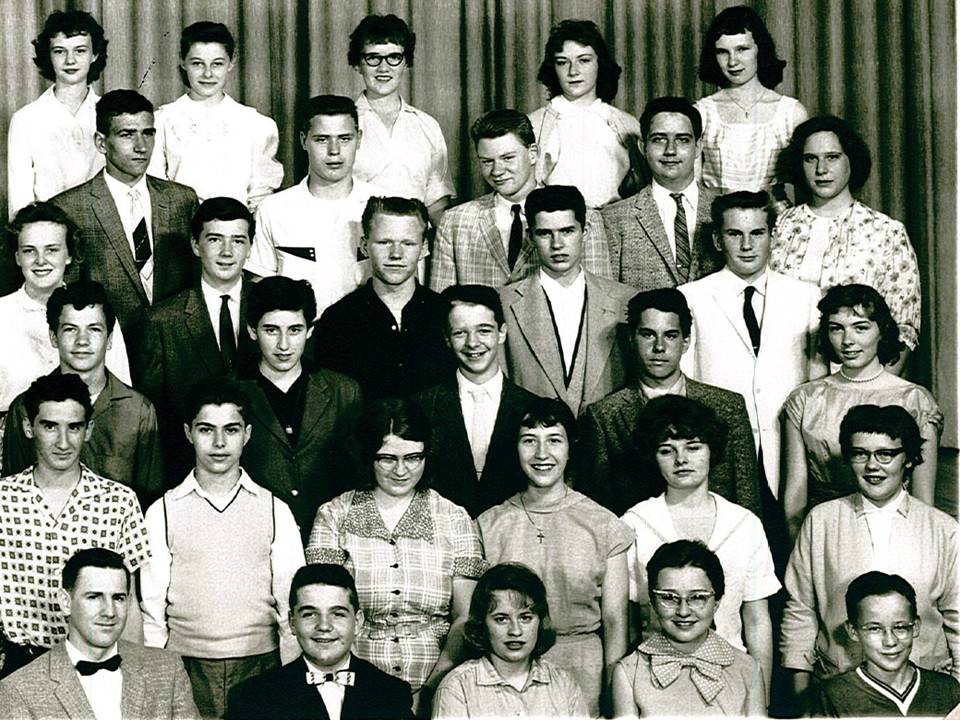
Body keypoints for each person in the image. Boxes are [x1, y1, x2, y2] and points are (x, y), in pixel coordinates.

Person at [305, 398, 485, 711]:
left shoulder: (454, 518)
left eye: (413, 458)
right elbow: (325, 613)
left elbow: (465, 618)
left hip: (438, 684)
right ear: (367, 456)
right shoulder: (334, 515)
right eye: (387, 458)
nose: (401, 470)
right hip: (354, 686)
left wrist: (431, 689)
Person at [140, 379, 305, 719]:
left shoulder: (274, 510)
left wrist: (290, 675)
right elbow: (152, 610)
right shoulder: (163, 511)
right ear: (188, 433)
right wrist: (157, 674)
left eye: (231, 430)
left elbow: (291, 604)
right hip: (186, 666)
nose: (219, 443)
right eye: (206, 430)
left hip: (260, 664)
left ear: (247, 434)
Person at [679, 190, 824, 560]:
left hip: (789, 458)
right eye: (735, 234)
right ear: (717, 240)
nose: (746, 245)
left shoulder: (806, 297)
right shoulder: (691, 298)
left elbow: (817, 387)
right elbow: (685, 387)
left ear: (772, 236)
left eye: (757, 233)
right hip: (723, 456)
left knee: (791, 556)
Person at [781, 405, 959, 703]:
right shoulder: (821, 520)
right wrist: (802, 696)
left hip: (924, 690)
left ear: (909, 458)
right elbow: (800, 611)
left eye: (885, 454)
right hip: (839, 688)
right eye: (860, 454)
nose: (872, 466)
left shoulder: (943, 529)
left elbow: (958, 618)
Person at [477, 397, 632, 716]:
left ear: (571, 448)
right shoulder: (488, 525)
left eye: (554, 440)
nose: (542, 454)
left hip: (584, 670)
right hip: (506, 672)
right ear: (515, 448)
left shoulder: (604, 524)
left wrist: (613, 692)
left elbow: (616, 621)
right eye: (529, 441)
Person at [620, 395, 779, 697]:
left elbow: (757, 620)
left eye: (693, 447)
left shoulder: (744, 523)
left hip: (732, 675)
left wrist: (762, 697)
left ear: (711, 450)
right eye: (667, 450)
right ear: (652, 457)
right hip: (655, 678)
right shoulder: (635, 523)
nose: (681, 459)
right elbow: (625, 621)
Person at [0, 373, 150, 678]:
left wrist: (133, 677)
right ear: (29, 427)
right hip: (21, 665)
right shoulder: (3, 499)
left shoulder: (119, 501)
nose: (63, 442)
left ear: (88, 429)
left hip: (98, 662)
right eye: (50, 426)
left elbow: (130, 602)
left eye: (74, 427)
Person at [579, 288, 761, 519]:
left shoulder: (727, 407)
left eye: (671, 335)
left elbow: (748, 500)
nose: (659, 347)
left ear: (686, 342)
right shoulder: (605, 416)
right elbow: (599, 509)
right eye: (648, 335)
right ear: (631, 339)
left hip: (717, 536)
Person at [781, 285, 941, 540]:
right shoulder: (804, 399)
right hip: (824, 531)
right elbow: (794, 500)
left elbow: (923, 502)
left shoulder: (915, 400)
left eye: (861, 328)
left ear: (882, 331)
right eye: (836, 328)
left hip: (893, 532)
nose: (847, 341)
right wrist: (800, 552)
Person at [772, 115, 922, 374]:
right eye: (810, 159)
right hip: (782, 372)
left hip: (856, 379)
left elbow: (904, 328)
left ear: (851, 161)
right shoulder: (779, 227)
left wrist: (871, 390)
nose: (821, 169)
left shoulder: (886, 231)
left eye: (832, 157)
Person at [50, 89, 199, 341]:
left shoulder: (182, 200)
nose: (141, 147)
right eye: (127, 134)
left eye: (148, 133)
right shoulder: (69, 208)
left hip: (177, 346)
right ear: (101, 143)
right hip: (109, 348)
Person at [3, 282, 164, 509]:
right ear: (53, 337)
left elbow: (149, 502)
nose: (82, 341)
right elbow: (12, 495)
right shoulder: (24, 407)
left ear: (109, 339)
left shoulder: (139, 411)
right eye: (70, 329)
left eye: (94, 329)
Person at [135, 197, 259, 484]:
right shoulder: (161, 321)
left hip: (264, 470)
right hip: (189, 472)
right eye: (215, 239)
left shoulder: (271, 307)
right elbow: (155, 415)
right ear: (195, 244)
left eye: (238, 241)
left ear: (250, 247)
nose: (227, 252)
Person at [0, 548, 199, 719]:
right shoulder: (19, 689)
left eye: (118, 598)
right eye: (94, 597)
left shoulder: (167, 669)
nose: (109, 612)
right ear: (66, 602)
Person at [429, 109, 612, 292]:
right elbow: (441, 302)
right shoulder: (454, 222)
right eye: (487, 161)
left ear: (533, 153)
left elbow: (602, 297)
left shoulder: (586, 218)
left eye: (508, 158)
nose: (497, 171)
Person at [239, 276, 363, 536]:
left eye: (294, 330)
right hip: (256, 534)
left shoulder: (344, 391)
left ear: (309, 330)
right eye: (271, 330)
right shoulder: (231, 392)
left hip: (330, 534)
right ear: (252, 330)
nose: (283, 345)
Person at [501, 185, 635, 418]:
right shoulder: (504, 302)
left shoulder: (626, 300)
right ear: (530, 236)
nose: (557, 244)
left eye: (567, 231)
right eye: (545, 233)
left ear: (585, 231)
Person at [247, 95, 383, 314]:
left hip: (367, 331)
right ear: (304, 141)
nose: (334, 150)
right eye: (321, 139)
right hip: (298, 333)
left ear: (359, 139)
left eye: (344, 139)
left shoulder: (383, 207)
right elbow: (261, 290)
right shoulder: (273, 210)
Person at [414, 284, 539, 518]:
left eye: (484, 330)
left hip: (514, 529)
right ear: (447, 339)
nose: (473, 343)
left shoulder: (532, 408)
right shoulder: (420, 406)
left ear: (502, 332)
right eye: (460, 333)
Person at [230, 563, 415, 720]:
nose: (324, 626)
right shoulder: (255, 696)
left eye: (338, 614)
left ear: (357, 622)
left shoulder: (391, 693)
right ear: (292, 622)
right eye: (309, 614)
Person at [0, 202, 130, 421]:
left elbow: (122, 398)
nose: (41, 261)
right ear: (17, 257)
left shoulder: (97, 313)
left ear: (69, 255)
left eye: (52, 250)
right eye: (29, 251)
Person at [313, 196, 454, 400]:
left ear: (424, 248)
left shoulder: (445, 314)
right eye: (384, 242)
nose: (396, 254)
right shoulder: (339, 319)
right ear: (364, 246)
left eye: (408, 243)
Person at [612, 540, 766, 716]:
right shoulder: (629, 673)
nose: (683, 611)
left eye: (698, 597)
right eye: (669, 597)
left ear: (716, 602)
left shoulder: (748, 671)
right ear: (653, 602)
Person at [148, 22, 284, 211]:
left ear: (231, 62)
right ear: (183, 62)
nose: (208, 74)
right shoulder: (162, 120)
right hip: (180, 225)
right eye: (197, 63)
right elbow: (156, 186)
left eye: (217, 64)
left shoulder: (255, 124)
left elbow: (261, 192)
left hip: (237, 224)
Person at [433, 563, 588, 718]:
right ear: (482, 624)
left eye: (525, 618)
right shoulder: (457, 688)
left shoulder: (564, 684)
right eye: (501, 619)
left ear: (540, 622)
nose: (515, 631)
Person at [601, 96, 722, 291]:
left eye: (682, 140)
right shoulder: (614, 218)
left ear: (698, 147)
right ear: (643, 147)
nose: (670, 150)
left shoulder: (724, 211)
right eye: (659, 139)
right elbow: (608, 296)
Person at [348, 14, 454, 228]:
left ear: (406, 63)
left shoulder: (427, 125)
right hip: (355, 241)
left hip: (414, 244)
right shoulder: (343, 124)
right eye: (373, 58)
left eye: (394, 57)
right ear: (358, 64)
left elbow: (436, 203)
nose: (383, 68)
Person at [528, 19, 641, 209]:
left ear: (599, 63)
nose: (573, 71)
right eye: (562, 62)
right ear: (553, 68)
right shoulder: (534, 124)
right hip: (556, 221)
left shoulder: (627, 125)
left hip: (615, 220)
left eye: (584, 60)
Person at [695, 5, 808, 194]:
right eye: (722, 52)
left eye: (742, 49)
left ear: (759, 49)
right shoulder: (702, 112)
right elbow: (694, 187)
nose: (732, 62)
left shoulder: (791, 113)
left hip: (774, 212)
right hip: (718, 212)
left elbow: (804, 187)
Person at [815, 571, 960, 717]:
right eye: (874, 629)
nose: (890, 642)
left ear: (915, 627)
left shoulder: (947, 689)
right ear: (853, 631)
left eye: (900, 627)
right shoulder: (830, 698)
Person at [7, 10, 107, 218]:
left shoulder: (110, 114)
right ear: (49, 55)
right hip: (47, 230)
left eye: (80, 51)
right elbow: (19, 203)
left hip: (102, 230)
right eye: (60, 51)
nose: (70, 60)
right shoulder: (25, 120)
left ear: (95, 54)